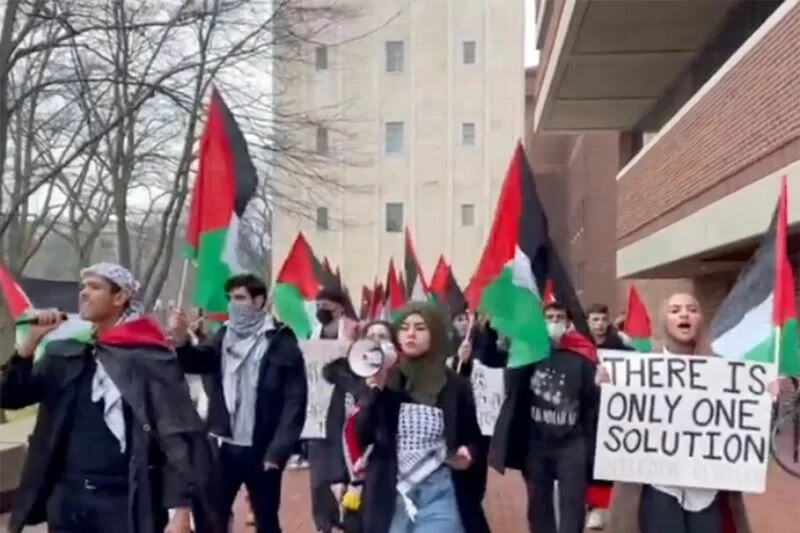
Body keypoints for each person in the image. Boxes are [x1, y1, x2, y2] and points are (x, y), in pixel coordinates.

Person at [0, 262, 213, 533]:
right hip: (68, 500)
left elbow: (176, 435)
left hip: (125, 500)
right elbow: (9, 397)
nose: (84, 293)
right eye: (82, 287)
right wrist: (27, 347)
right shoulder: (66, 354)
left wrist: (181, 511)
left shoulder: (151, 358)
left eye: (95, 287)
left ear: (120, 297)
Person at [604, 293, 760, 533]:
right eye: (675, 310)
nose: (684, 314)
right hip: (658, 485)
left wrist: (762, 392)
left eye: (692, 309)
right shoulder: (639, 369)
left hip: (707, 490)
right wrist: (608, 385)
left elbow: (743, 423)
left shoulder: (727, 372)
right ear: (664, 321)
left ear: (701, 319)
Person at [168, 273, 308, 533]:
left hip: (262, 449)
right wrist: (181, 340)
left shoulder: (281, 343)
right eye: (230, 298)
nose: (234, 304)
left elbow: (295, 402)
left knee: (266, 517)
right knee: (212, 515)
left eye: (240, 298)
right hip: (224, 446)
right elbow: (196, 362)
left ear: (259, 301)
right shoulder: (224, 336)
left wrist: (278, 450)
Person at [353, 302, 486, 533]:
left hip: (440, 489)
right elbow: (363, 435)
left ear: (434, 333)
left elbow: (473, 438)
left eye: (420, 328)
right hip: (391, 492)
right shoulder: (384, 378)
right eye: (404, 328)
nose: (410, 333)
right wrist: (375, 393)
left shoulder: (455, 386)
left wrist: (468, 453)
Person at [488, 301, 600, 533]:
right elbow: (512, 388)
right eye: (550, 317)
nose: (555, 322)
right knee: (538, 504)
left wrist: (601, 385)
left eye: (560, 317)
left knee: (573, 504)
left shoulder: (583, 355)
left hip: (572, 441)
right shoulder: (529, 353)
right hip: (536, 442)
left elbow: (592, 399)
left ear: (569, 323)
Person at [321, 320, 398, 533]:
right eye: (371, 336)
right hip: (354, 478)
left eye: (383, 336)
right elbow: (335, 430)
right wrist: (337, 476)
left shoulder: (403, 384)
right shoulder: (347, 385)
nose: (376, 341)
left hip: (389, 476)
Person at [307, 286, 359, 533]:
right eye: (318, 306)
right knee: (319, 479)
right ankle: (324, 525)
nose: (320, 311)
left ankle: (348, 524)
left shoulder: (355, 333)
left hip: (344, 413)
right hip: (317, 416)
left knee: (347, 474)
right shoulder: (312, 334)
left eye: (325, 306)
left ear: (339, 307)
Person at [584, 303, 633, 530]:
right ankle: (594, 507)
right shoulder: (581, 348)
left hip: (614, 413)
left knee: (609, 461)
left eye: (603, 319)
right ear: (588, 322)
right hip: (587, 413)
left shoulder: (621, 348)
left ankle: (606, 507)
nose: (600, 324)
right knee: (590, 460)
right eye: (595, 320)